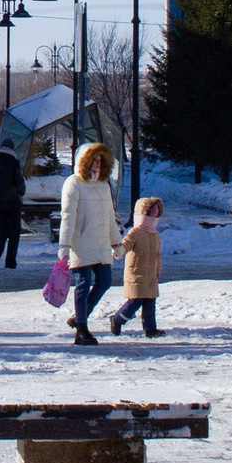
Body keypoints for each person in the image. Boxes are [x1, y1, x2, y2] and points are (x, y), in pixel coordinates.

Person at [57, 143, 120, 345]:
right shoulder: (73, 183)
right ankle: (82, 330)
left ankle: (80, 316)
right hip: (81, 242)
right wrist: (64, 246)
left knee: (104, 282)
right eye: (94, 160)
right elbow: (67, 217)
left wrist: (116, 243)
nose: (97, 165)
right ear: (84, 162)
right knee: (83, 285)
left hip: (100, 243)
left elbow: (110, 217)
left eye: (101, 161)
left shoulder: (104, 185)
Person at [108, 197, 166, 338]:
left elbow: (157, 256)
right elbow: (126, 244)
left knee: (150, 302)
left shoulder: (155, 235)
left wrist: (157, 271)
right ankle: (117, 319)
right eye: (152, 210)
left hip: (151, 275)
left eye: (157, 210)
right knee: (135, 301)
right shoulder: (135, 232)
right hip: (137, 273)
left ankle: (150, 329)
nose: (155, 212)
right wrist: (118, 250)